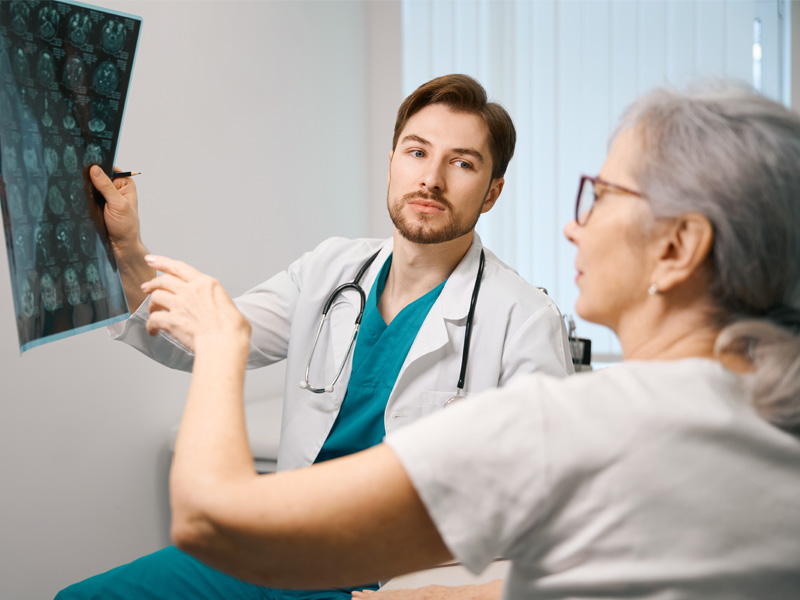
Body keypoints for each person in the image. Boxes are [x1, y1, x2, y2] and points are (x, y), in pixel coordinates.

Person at [139, 83, 800, 599]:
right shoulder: (763, 428)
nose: (575, 229)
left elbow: (210, 516)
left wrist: (226, 344)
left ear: (679, 247)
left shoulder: (563, 416)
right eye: (416, 151)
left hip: (328, 555)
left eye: (598, 196)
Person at [56, 74, 574, 599]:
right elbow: (203, 339)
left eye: (462, 163)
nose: (431, 179)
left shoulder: (524, 319)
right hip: (281, 550)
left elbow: (548, 501)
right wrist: (127, 248)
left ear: (491, 193)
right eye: (417, 152)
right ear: (392, 161)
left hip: (393, 578)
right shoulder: (330, 270)